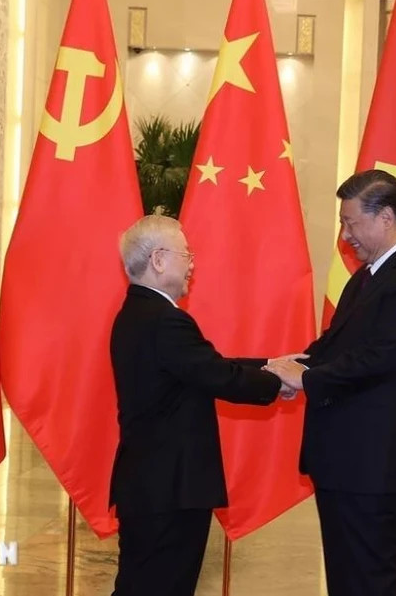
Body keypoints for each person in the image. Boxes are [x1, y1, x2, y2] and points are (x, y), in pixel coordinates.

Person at [266, 169, 396, 596]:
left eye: (351, 223)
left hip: (376, 469)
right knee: (348, 581)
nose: (345, 235)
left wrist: (308, 379)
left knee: (373, 582)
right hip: (348, 466)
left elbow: (380, 359)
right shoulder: (368, 277)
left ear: (385, 217)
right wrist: (283, 367)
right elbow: (335, 346)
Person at [108, 215, 288, 596]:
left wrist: (271, 365)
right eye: (186, 254)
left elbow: (204, 366)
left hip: (152, 487)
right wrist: (283, 379)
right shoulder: (165, 320)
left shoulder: (138, 314)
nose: (192, 263)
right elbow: (219, 376)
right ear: (158, 259)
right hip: (169, 490)